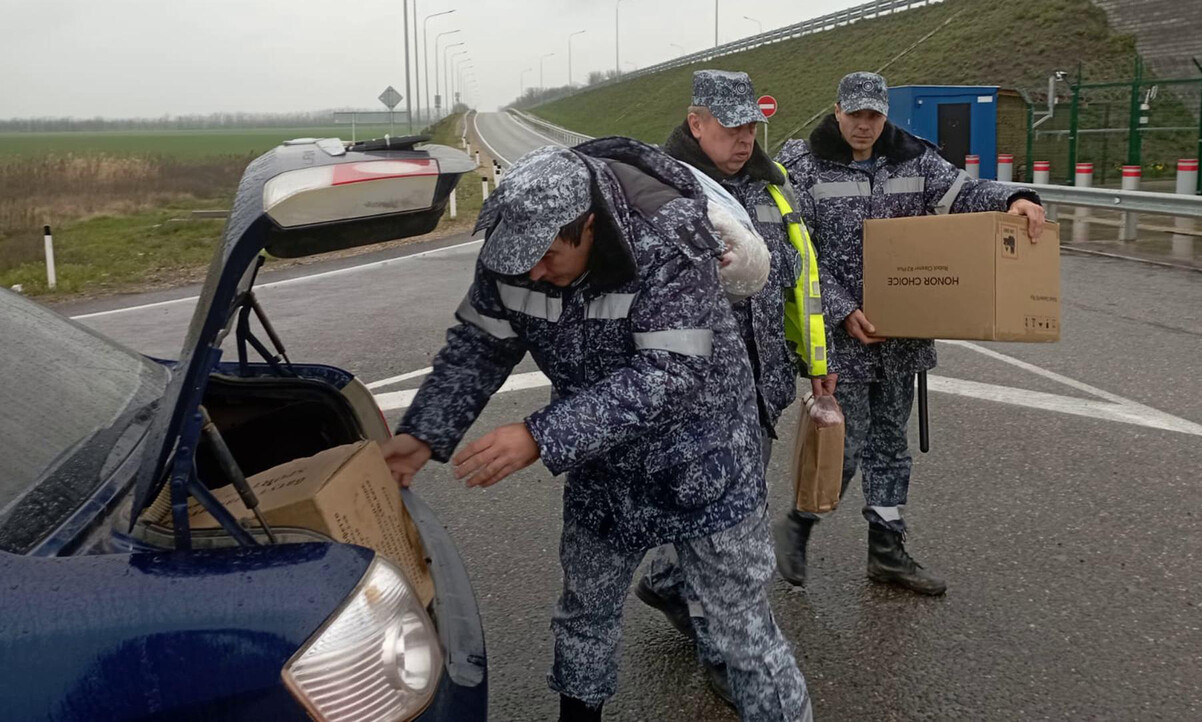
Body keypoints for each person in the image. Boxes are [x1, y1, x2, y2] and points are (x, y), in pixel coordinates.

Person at [380, 141, 812, 722]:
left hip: (703, 461)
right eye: (519, 261)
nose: (532, 273)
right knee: (585, 614)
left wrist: (540, 435)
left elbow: (671, 372)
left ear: (588, 225)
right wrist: (425, 432)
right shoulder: (515, 254)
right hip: (602, 466)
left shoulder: (667, 245)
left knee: (740, 632)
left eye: (547, 257)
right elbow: (479, 345)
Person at [774, 71, 1046, 594]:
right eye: (854, 115)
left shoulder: (915, 159)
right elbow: (794, 248)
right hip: (841, 339)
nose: (863, 125)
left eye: (873, 115)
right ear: (837, 111)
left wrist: (1017, 197)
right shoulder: (802, 167)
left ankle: (887, 548)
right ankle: (800, 524)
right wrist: (841, 308)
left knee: (890, 448)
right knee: (842, 447)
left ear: (884, 115)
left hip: (902, 339)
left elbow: (966, 193)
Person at [633, 69, 832, 702]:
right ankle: (726, 651)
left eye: (751, 126)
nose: (744, 139)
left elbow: (800, 279)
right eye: (730, 127)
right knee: (726, 526)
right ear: (697, 123)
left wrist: (816, 358)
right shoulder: (659, 188)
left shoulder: (774, 189)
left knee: (722, 514)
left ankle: (668, 581)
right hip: (694, 391)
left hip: (764, 381)